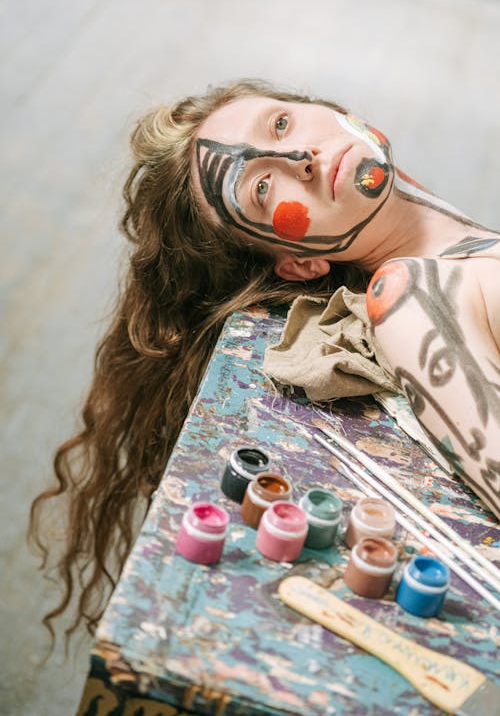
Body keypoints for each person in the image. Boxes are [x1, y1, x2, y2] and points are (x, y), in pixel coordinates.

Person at [29, 79, 499, 647]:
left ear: (331, 109)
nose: (300, 158)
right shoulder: (410, 302)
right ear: (299, 262)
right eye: (261, 187)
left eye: (280, 124)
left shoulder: (460, 239)